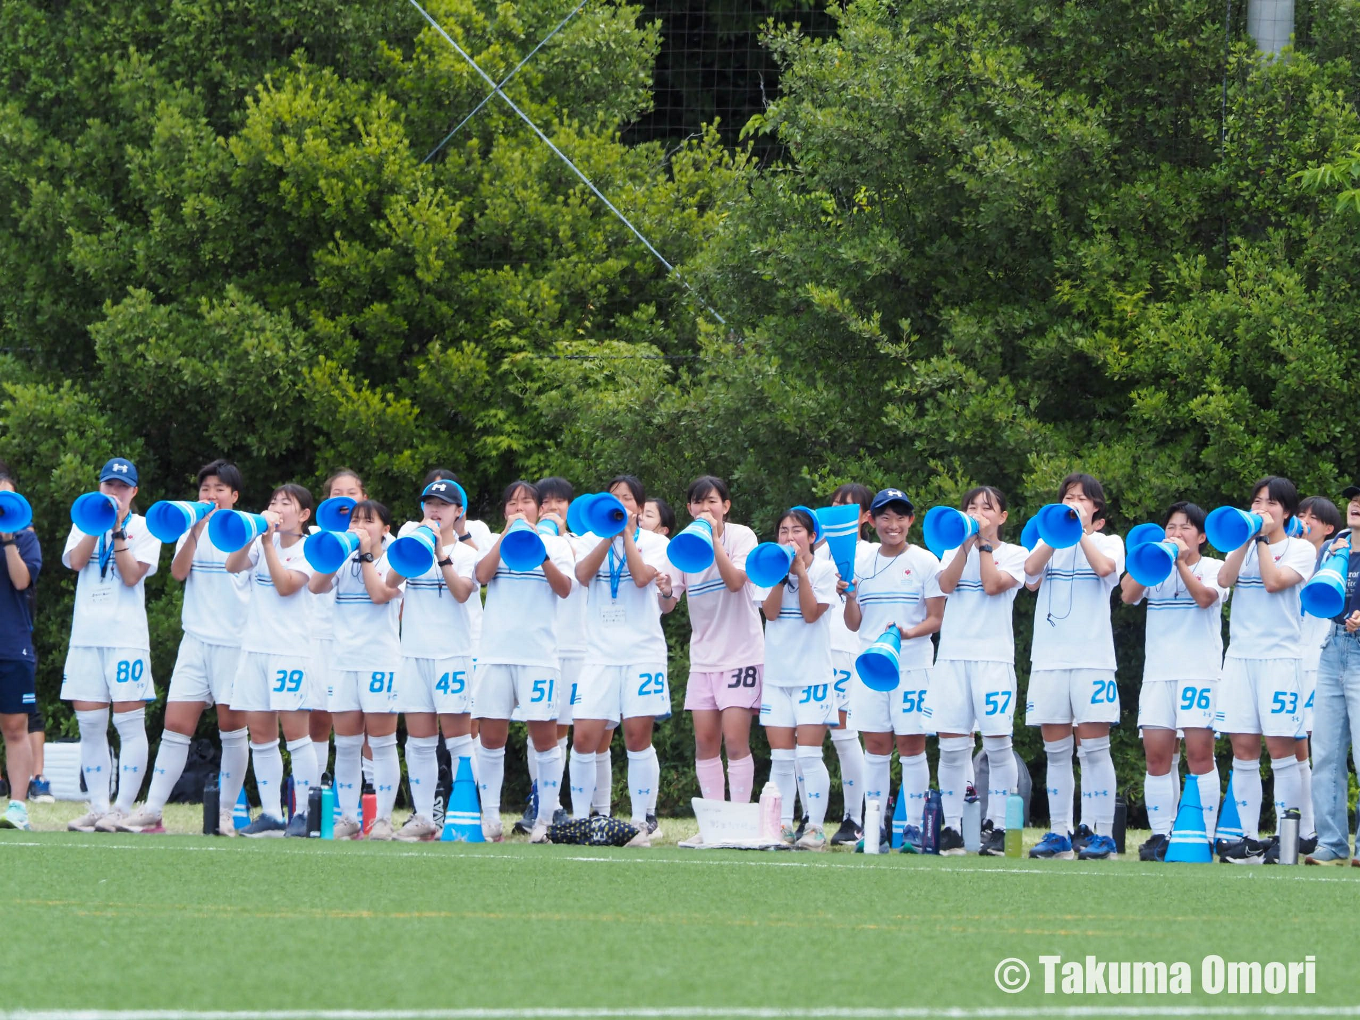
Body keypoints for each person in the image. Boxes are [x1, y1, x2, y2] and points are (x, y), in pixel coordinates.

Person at [118, 460, 251, 835]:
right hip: (194, 640)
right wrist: (195, 529)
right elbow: (178, 572)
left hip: (234, 643)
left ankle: (225, 812)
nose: (210, 496)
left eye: (219, 489)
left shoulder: (246, 530)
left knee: (232, 727)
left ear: (234, 495)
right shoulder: (190, 526)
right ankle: (153, 809)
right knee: (176, 725)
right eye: (205, 489)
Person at [1023, 472, 1124, 861]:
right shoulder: (1047, 539)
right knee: (1056, 750)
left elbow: (1105, 570)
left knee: (1095, 749)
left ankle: (1102, 834)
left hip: (1092, 660)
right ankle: (1059, 832)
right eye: (1068, 496)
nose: (1074, 502)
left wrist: (1079, 532)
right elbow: (1030, 577)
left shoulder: (1108, 541)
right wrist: (1055, 533)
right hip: (1048, 660)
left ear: (1096, 506)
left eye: (1082, 498)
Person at [1119, 502, 1228, 862]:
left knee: (1199, 755)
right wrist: (1152, 560)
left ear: (1201, 536)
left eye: (1184, 528)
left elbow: (1205, 598)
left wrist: (1180, 563)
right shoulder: (1156, 565)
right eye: (1170, 527)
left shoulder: (1214, 567)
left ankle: (1204, 833)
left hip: (1199, 671)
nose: (1176, 534)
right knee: (1156, 757)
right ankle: (1161, 833)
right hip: (1159, 674)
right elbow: (1127, 594)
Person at [1215, 476, 1315, 864]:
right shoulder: (1240, 545)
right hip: (1240, 658)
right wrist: (1245, 540)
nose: (1263, 510)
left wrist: (1259, 539)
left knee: (1280, 749)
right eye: (1257, 502)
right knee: (1243, 750)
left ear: (1286, 511)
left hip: (1280, 660)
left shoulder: (1300, 549)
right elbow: (1224, 580)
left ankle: (1285, 837)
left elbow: (1274, 583)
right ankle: (1247, 837)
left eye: (1272, 504)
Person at [569, 475, 672, 844]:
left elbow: (644, 577)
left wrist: (626, 534)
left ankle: (643, 821)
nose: (620, 504)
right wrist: (607, 535)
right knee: (583, 736)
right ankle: (582, 820)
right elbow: (581, 575)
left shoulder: (657, 542)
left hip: (642, 653)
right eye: (614, 499)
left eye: (627, 499)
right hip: (597, 653)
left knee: (636, 737)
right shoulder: (587, 540)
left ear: (640, 508)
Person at [61, 458, 162, 832]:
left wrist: (118, 531)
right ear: (100, 487)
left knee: (128, 723)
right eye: (109, 486)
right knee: (90, 724)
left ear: (133, 492)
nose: (114, 493)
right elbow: (75, 562)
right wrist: (95, 524)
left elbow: (133, 576)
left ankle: (122, 807)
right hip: (86, 637)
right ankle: (99, 805)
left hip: (126, 639)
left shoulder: (145, 528)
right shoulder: (84, 518)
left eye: (122, 487)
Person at [472, 481, 575, 842]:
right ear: (504, 511)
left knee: (545, 737)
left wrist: (540, 550)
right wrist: (505, 538)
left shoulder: (557, 543)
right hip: (495, 654)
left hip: (538, 656)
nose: (519, 508)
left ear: (538, 509)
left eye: (526, 502)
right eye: (512, 503)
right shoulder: (493, 543)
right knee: (490, 738)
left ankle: (545, 819)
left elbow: (564, 588)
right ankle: (489, 818)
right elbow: (481, 577)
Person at [842, 488, 942, 850]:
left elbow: (936, 618)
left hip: (912, 665)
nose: (893, 524)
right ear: (871, 520)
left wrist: (907, 633)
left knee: (912, 746)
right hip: (869, 666)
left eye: (900, 517)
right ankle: (875, 829)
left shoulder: (925, 561)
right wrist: (850, 596)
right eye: (885, 516)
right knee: (876, 746)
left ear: (911, 521)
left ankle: (914, 828)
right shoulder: (859, 562)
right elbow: (853, 623)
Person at [929, 486, 1027, 856]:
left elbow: (991, 585)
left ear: (1002, 517)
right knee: (952, 748)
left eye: (988, 508)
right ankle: (953, 827)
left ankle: (1000, 827)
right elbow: (945, 585)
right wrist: (966, 545)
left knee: (998, 746)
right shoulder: (953, 549)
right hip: (953, 658)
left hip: (993, 660)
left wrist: (985, 545)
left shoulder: (1016, 554)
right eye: (972, 507)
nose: (979, 512)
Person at [664, 476, 763, 818]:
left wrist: (713, 538)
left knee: (735, 742)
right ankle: (714, 819)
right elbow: (668, 604)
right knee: (706, 743)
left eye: (712, 502)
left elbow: (736, 583)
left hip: (741, 656)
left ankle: (738, 818)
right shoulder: (681, 544)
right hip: (703, 659)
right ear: (689, 508)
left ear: (726, 506)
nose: (706, 509)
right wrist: (664, 588)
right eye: (698, 503)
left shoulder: (742, 536)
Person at [224, 483, 317, 837]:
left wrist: (266, 543)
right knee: (261, 735)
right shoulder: (266, 542)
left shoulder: (311, 549)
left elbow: (285, 585)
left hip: (289, 650)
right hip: (255, 648)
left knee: (296, 735)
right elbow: (233, 564)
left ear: (304, 514)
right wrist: (254, 535)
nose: (277, 507)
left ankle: (305, 813)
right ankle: (272, 813)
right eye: (273, 501)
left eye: (286, 503)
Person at [388, 480, 479, 841]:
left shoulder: (469, 553)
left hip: (452, 655)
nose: (434, 510)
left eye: (443, 504)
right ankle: (424, 815)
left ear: (459, 512)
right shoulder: (411, 540)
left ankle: (462, 815)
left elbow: (461, 593)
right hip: (413, 653)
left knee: (458, 740)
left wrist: (442, 554)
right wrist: (414, 548)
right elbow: (391, 580)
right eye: (429, 503)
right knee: (419, 740)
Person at [311, 500, 402, 839]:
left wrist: (364, 556)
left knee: (381, 742)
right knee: (346, 744)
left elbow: (380, 594)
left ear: (385, 528)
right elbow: (315, 586)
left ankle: (382, 818)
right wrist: (338, 554)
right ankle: (348, 817)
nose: (360, 526)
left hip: (380, 660)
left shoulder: (397, 557)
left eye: (369, 521)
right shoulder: (343, 556)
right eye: (355, 521)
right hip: (343, 660)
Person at [759, 507, 837, 849]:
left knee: (808, 755)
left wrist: (802, 574)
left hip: (813, 677)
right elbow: (771, 612)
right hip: (777, 677)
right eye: (783, 531)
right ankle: (783, 824)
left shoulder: (825, 569)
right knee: (781, 757)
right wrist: (780, 575)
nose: (789, 538)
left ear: (811, 537)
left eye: (796, 531)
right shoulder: (765, 566)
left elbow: (809, 614)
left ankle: (815, 826)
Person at [1305, 485, 1360, 865]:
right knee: (1324, 753)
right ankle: (1332, 843)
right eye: (1354, 498)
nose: (1356, 503)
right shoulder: (1335, 546)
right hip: (1332, 648)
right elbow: (1320, 599)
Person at [817, 483, 872, 846]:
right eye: (835, 505)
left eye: (849, 509)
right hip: (812, 649)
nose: (839, 512)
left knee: (843, 734)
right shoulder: (817, 549)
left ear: (866, 516)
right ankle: (809, 818)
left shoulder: (870, 552)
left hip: (846, 648)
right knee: (806, 735)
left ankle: (855, 817)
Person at [309, 469, 367, 779]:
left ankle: (367, 798)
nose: (344, 500)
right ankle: (315, 793)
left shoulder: (382, 537)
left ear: (364, 499)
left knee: (366, 723)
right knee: (319, 718)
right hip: (321, 636)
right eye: (336, 494)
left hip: (363, 643)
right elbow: (314, 584)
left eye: (351, 494)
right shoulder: (315, 534)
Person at [1292, 495, 1340, 855]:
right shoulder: (1289, 551)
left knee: (1312, 745)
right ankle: (1302, 829)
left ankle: (1314, 831)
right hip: (1289, 659)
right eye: (1301, 515)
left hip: (1320, 660)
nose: (1305, 521)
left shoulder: (1334, 557)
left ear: (1329, 528)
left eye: (1314, 518)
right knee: (1293, 746)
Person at [0, 462, 40, 830]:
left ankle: (17, 806)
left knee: (16, 728)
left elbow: (21, 580)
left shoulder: (24, 538)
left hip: (12, 646)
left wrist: (9, 539)